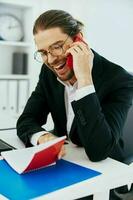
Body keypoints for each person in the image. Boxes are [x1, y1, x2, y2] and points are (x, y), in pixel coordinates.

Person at [17, 10, 133, 199]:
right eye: (43, 52)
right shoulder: (48, 73)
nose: (51, 60)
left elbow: (98, 151)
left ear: (78, 40)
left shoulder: (120, 80)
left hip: (102, 176)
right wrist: (42, 136)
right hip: (65, 165)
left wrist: (84, 80)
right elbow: (26, 120)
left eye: (57, 47)